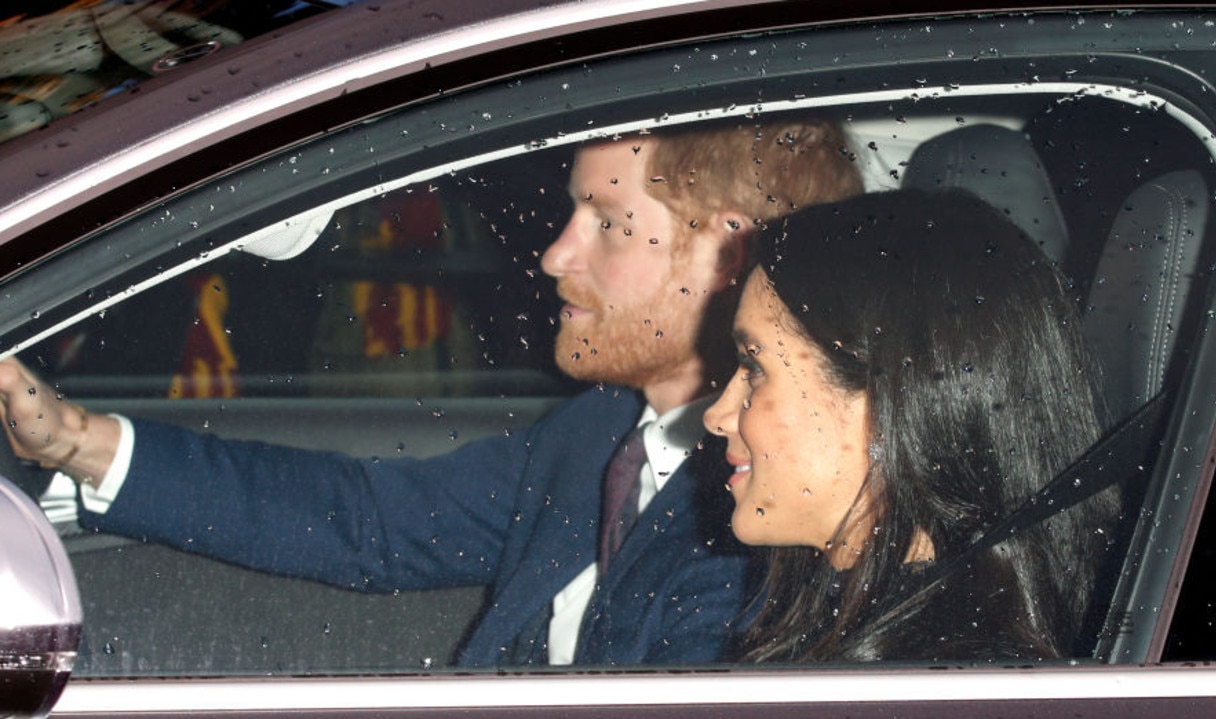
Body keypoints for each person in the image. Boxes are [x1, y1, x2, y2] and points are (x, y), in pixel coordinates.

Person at [0, 117, 864, 667]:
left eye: (604, 222)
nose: (557, 256)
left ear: (730, 256)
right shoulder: (605, 432)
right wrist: (79, 440)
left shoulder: (768, 515)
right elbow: (368, 521)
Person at [702, 188, 1119, 663]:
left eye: (754, 368)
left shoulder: (941, 685)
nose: (715, 417)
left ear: (885, 397)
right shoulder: (927, 648)